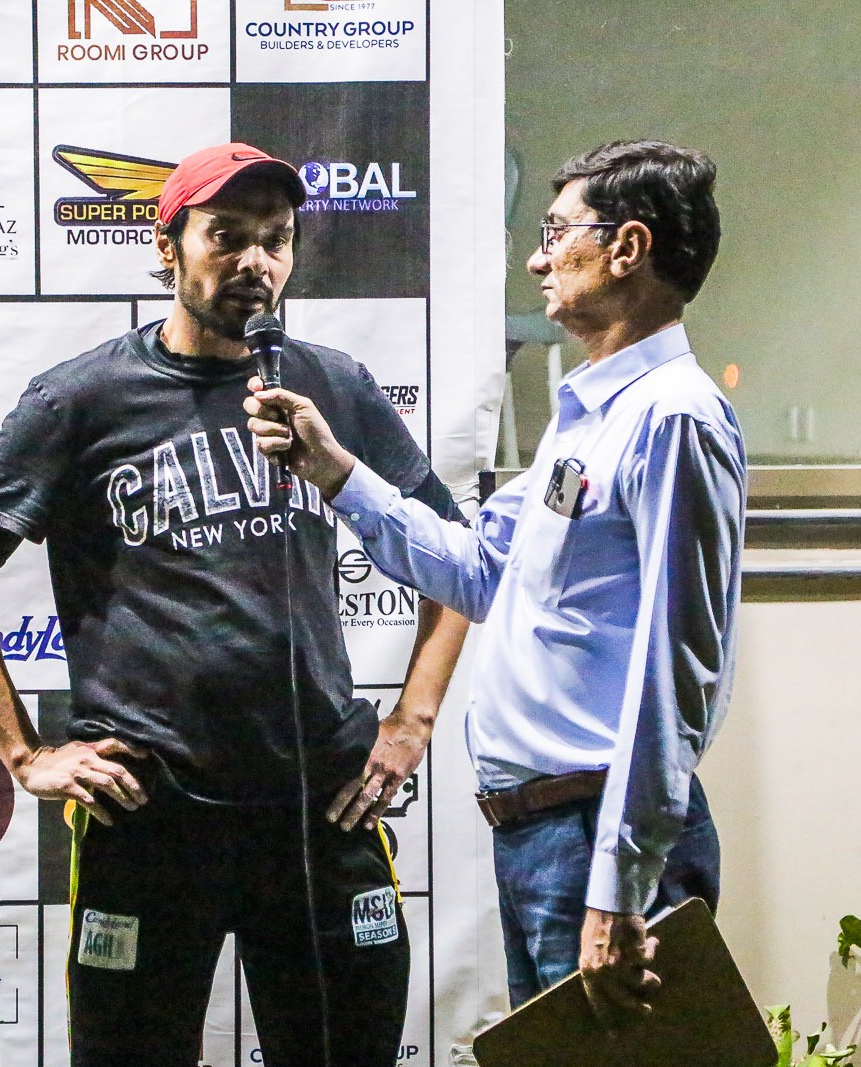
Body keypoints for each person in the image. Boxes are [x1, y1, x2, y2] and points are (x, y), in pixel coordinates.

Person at [0, 142, 470, 1066]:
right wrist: (25, 754)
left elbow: (455, 558)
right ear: (167, 244)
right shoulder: (81, 399)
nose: (256, 261)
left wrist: (412, 721)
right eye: (227, 236)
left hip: (319, 804)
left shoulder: (331, 386)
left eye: (276, 240)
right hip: (151, 811)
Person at [244, 140, 746, 1017]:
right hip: (542, 838)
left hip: (597, 839)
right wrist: (336, 472)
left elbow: (681, 672)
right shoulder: (590, 413)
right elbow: (479, 572)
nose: (537, 259)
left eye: (556, 233)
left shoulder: (675, 418)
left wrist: (620, 885)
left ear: (627, 248)